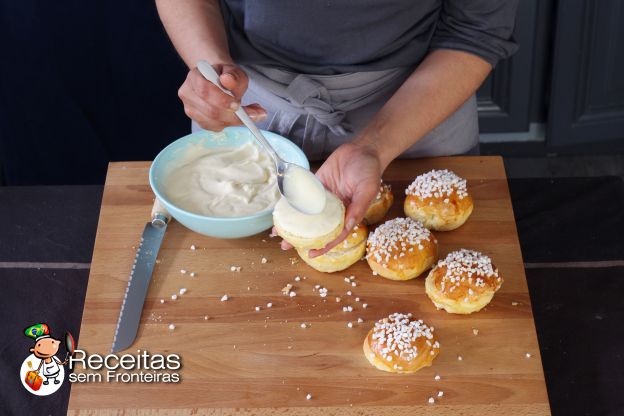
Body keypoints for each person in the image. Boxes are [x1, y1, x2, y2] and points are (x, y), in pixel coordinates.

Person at [155, 0, 518, 255]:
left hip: (417, 112)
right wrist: (215, 72)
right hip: (248, 111)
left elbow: (476, 29)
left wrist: (375, 145)